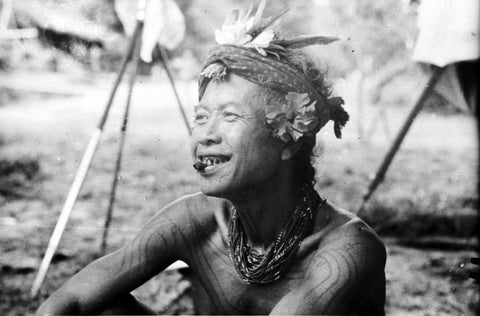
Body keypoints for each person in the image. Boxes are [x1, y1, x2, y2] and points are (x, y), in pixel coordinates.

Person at [37, 2, 386, 315]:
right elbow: (71, 301)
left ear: (289, 141)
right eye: (201, 117)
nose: (205, 135)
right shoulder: (195, 219)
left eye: (230, 117)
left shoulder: (346, 249)